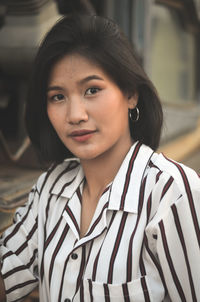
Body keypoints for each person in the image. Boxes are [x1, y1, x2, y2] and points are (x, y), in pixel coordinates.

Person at [0, 13, 200, 302]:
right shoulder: (50, 188)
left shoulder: (173, 194)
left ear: (131, 93)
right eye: (58, 97)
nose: (75, 115)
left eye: (92, 90)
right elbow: (9, 270)